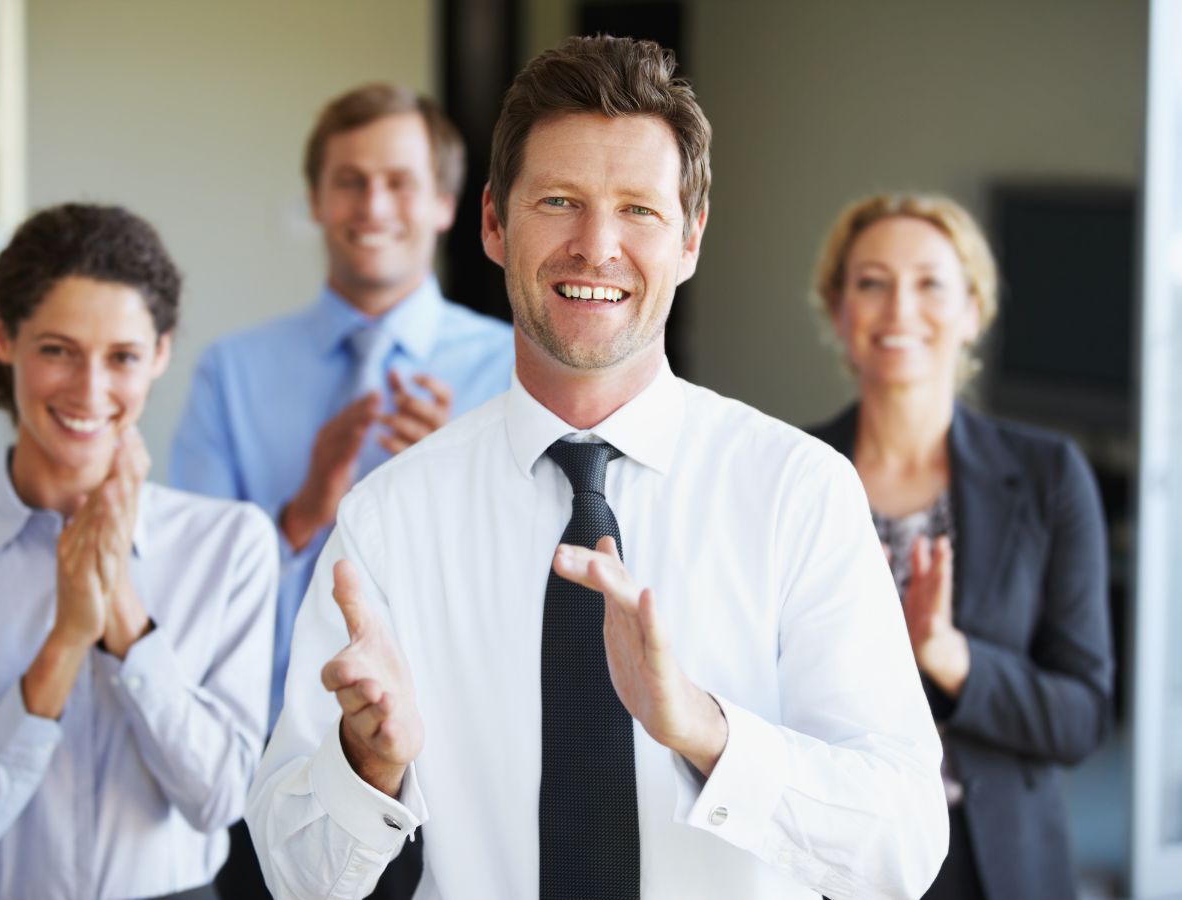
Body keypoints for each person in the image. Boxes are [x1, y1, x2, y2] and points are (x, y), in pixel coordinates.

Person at [247, 36, 947, 900]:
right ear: (495, 225)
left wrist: (705, 730)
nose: (596, 245)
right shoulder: (389, 520)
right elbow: (293, 874)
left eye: (639, 211)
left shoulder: (799, 492)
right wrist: (366, 764)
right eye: (560, 201)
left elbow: (903, 849)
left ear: (689, 240)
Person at [170, 82, 513, 897]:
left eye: (399, 181)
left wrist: (448, 485)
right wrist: (303, 514)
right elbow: (189, 601)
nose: (373, 204)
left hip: (465, 774)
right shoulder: (233, 373)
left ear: (443, 203)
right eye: (349, 181)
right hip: (275, 766)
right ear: (318, 201)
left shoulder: (516, 374)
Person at [0, 203, 276, 899]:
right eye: (57, 350)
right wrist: (65, 641)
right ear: (4, 339)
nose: (89, 390)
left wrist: (120, 606)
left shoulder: (231, 545)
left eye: (122, 356)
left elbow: (219, 802)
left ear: (159, 354)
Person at [806, 192, 1114, 899]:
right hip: (831, 862)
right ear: (838, 310)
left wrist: (949, 656)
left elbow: (1082, 716)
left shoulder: (1049, 476)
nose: (900, 309)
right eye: (871, 282)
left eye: (931, 284)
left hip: (997, 866)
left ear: (974, 310)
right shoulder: (794, 471)